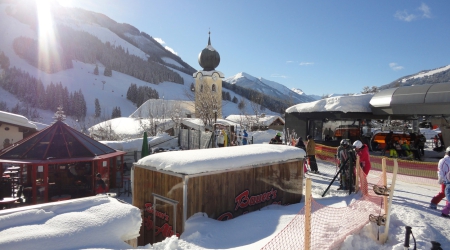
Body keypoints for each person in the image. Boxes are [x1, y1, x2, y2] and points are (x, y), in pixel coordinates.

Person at [435, 146, 450, 218]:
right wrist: (441, 178)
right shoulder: (444, 160)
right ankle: (434, 202)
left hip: (447, 180)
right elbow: (440, 170)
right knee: (443, 193)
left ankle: (447, 209)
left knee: (447, 195)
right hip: (446, 180)